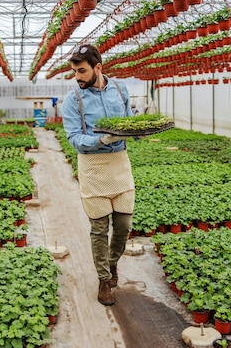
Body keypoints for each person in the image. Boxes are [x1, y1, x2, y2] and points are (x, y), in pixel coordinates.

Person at [61, 44, 135, 306]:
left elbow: (129, 120)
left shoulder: (120, 89)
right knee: (99, 228)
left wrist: (135, 130)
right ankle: (104, 279)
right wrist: (102, 139)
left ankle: (112, 263)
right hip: (93, 167)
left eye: (81, 71)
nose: (77, 76)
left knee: (124, 225)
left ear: (98, 68)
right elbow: (73, 138)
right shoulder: (73, 100)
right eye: (74, 71)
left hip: (119, 164)